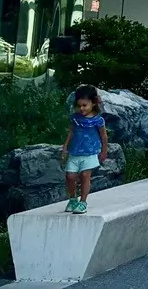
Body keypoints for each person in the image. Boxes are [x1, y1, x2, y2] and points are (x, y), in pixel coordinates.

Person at [60, 86, 107, 214]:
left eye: (85, 105)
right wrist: (65, 147)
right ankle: (73, 199)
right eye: (79, 105)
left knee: (85, 175)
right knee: (70, 176)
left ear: (93, 103)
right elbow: (71, 132)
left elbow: (103, 136)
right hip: (75, 152)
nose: (82, 109)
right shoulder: (76, 118)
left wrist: (104, 151)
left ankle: (83, 202)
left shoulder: (98, 120)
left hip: (90, 152)